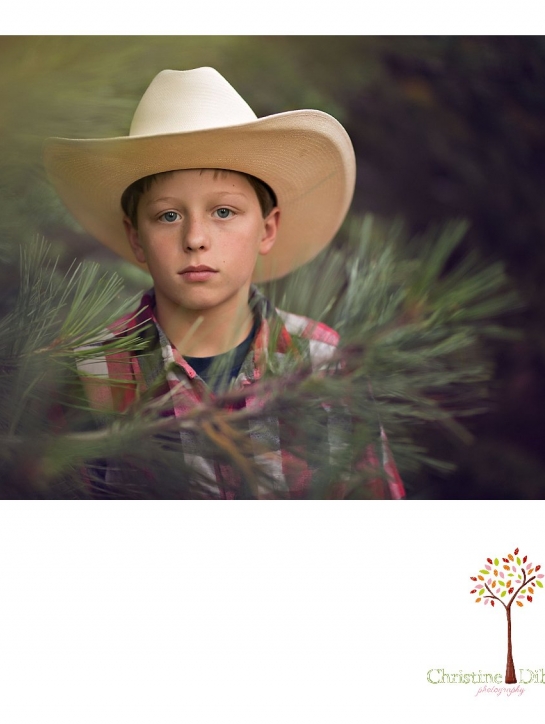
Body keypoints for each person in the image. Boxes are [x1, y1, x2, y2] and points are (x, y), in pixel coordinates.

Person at [44, 67, 404, 499]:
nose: (195, 239)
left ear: (268, 230)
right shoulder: (90, 374)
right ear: (136, 237)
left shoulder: (322, 360)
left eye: (224, 212)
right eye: (168, 216)